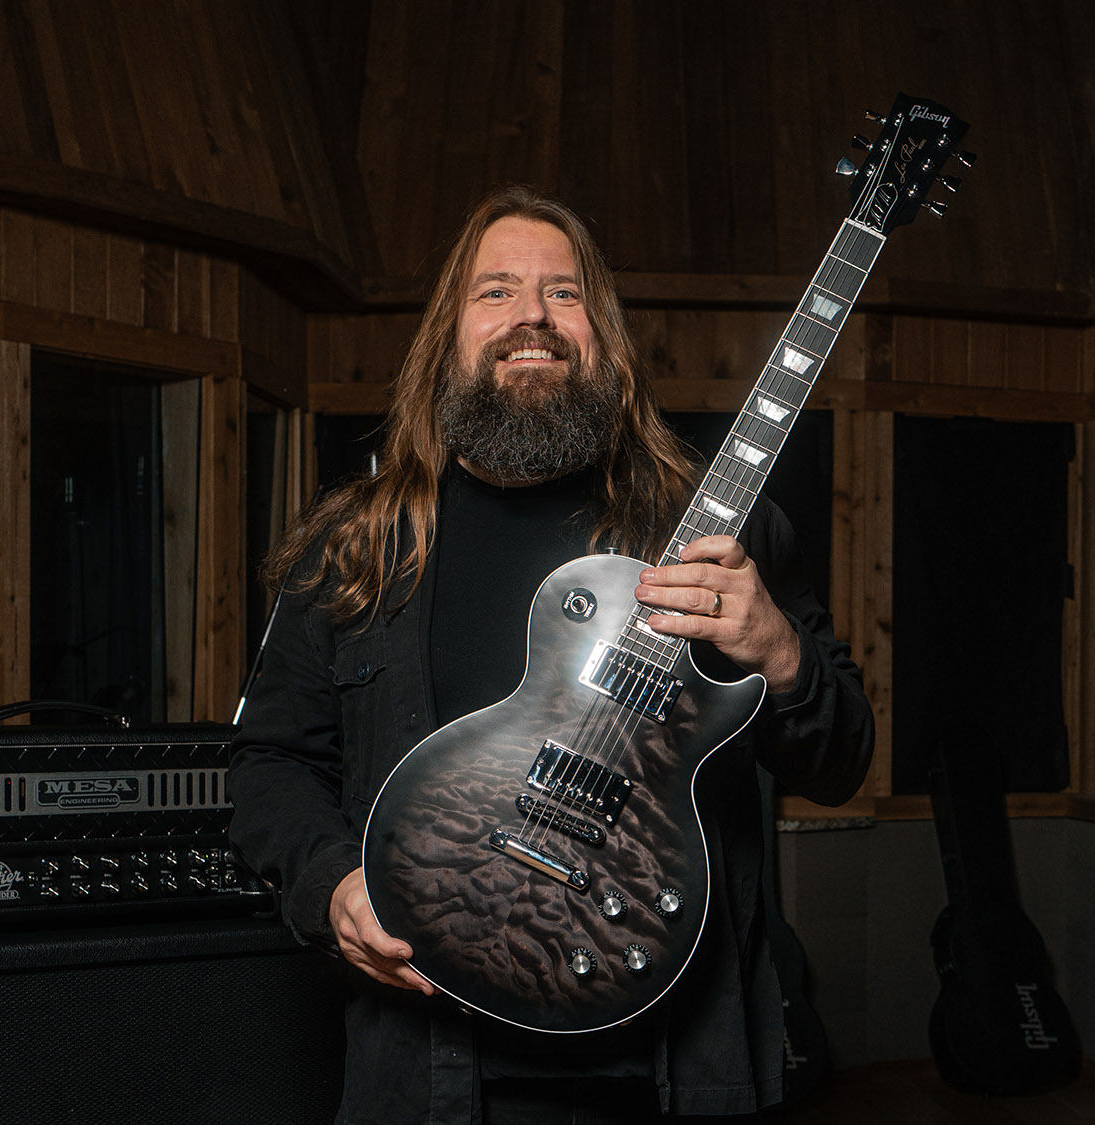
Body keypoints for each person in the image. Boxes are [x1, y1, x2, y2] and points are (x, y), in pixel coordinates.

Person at [228, 184, 874, 1123]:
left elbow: (844, 757)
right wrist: (331, 882)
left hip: (676, 1067)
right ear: (446, 337)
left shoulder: (721, 533)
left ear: (602, 333)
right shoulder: (357, 548)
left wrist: (778, 650)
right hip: (429, 1065)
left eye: (564, 293)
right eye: (495, 291)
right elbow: (269, 760)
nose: (531, 314)